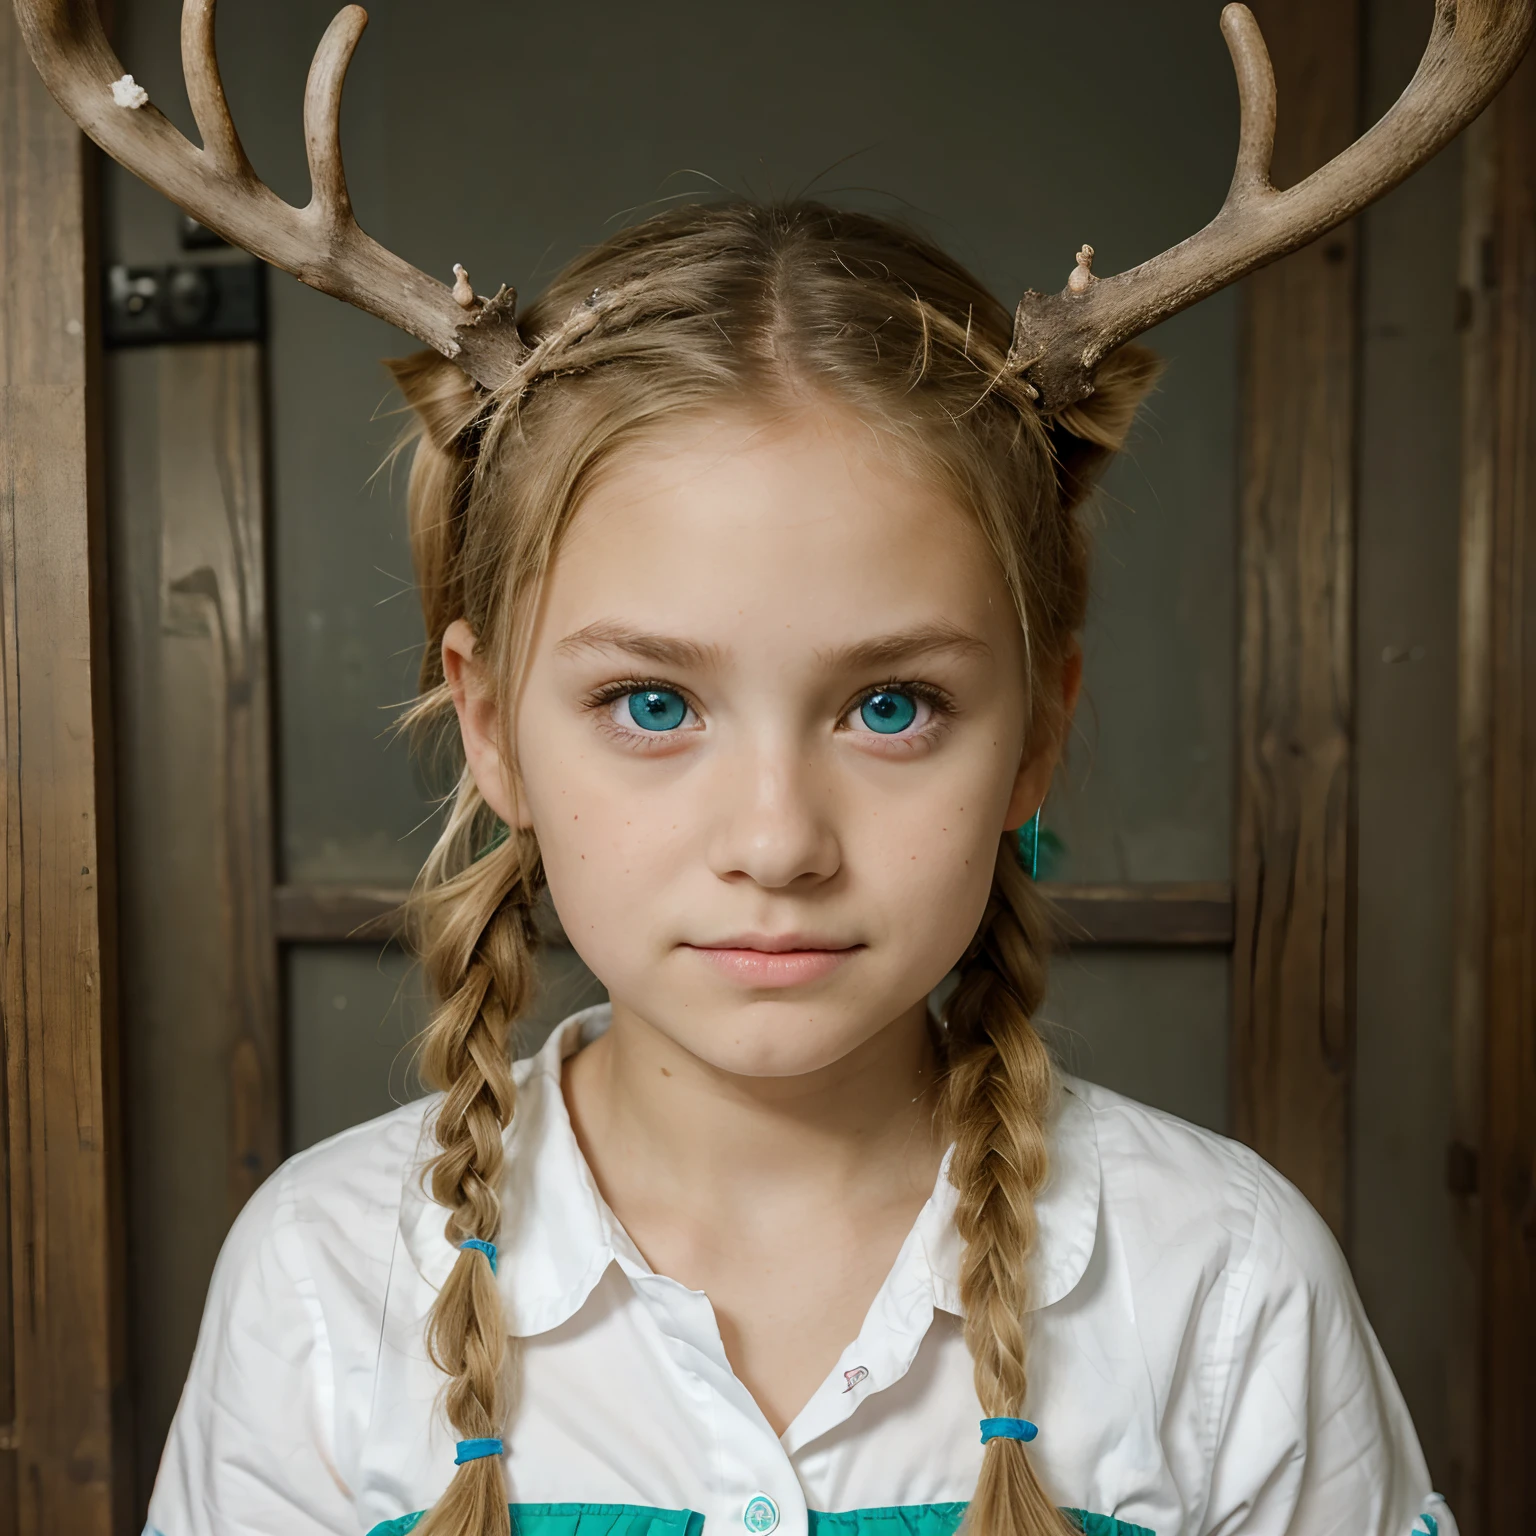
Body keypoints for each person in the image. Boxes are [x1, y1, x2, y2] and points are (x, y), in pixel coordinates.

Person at [140, 202, 1452, 1536]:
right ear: (492, 729)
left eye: (893, 707)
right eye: (654, 705)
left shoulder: (1220, 1285)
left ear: (1037, 736)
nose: (776, 844)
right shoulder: (321, 1286)